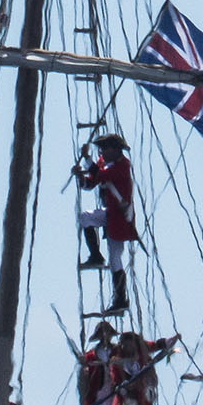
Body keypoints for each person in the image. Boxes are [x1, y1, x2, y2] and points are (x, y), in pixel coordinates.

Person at [73, 133, 137, 313]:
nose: (102, 152)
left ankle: (120, 299)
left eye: (105, 148)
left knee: (115, 259)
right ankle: (95, 255)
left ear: (116, 150)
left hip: (120, 216)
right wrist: (80, 177)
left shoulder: (122, 166)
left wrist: (86, 159)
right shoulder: (102, 163)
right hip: (109, 212)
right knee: (85, 217)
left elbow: (101, 176)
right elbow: (90, 183)